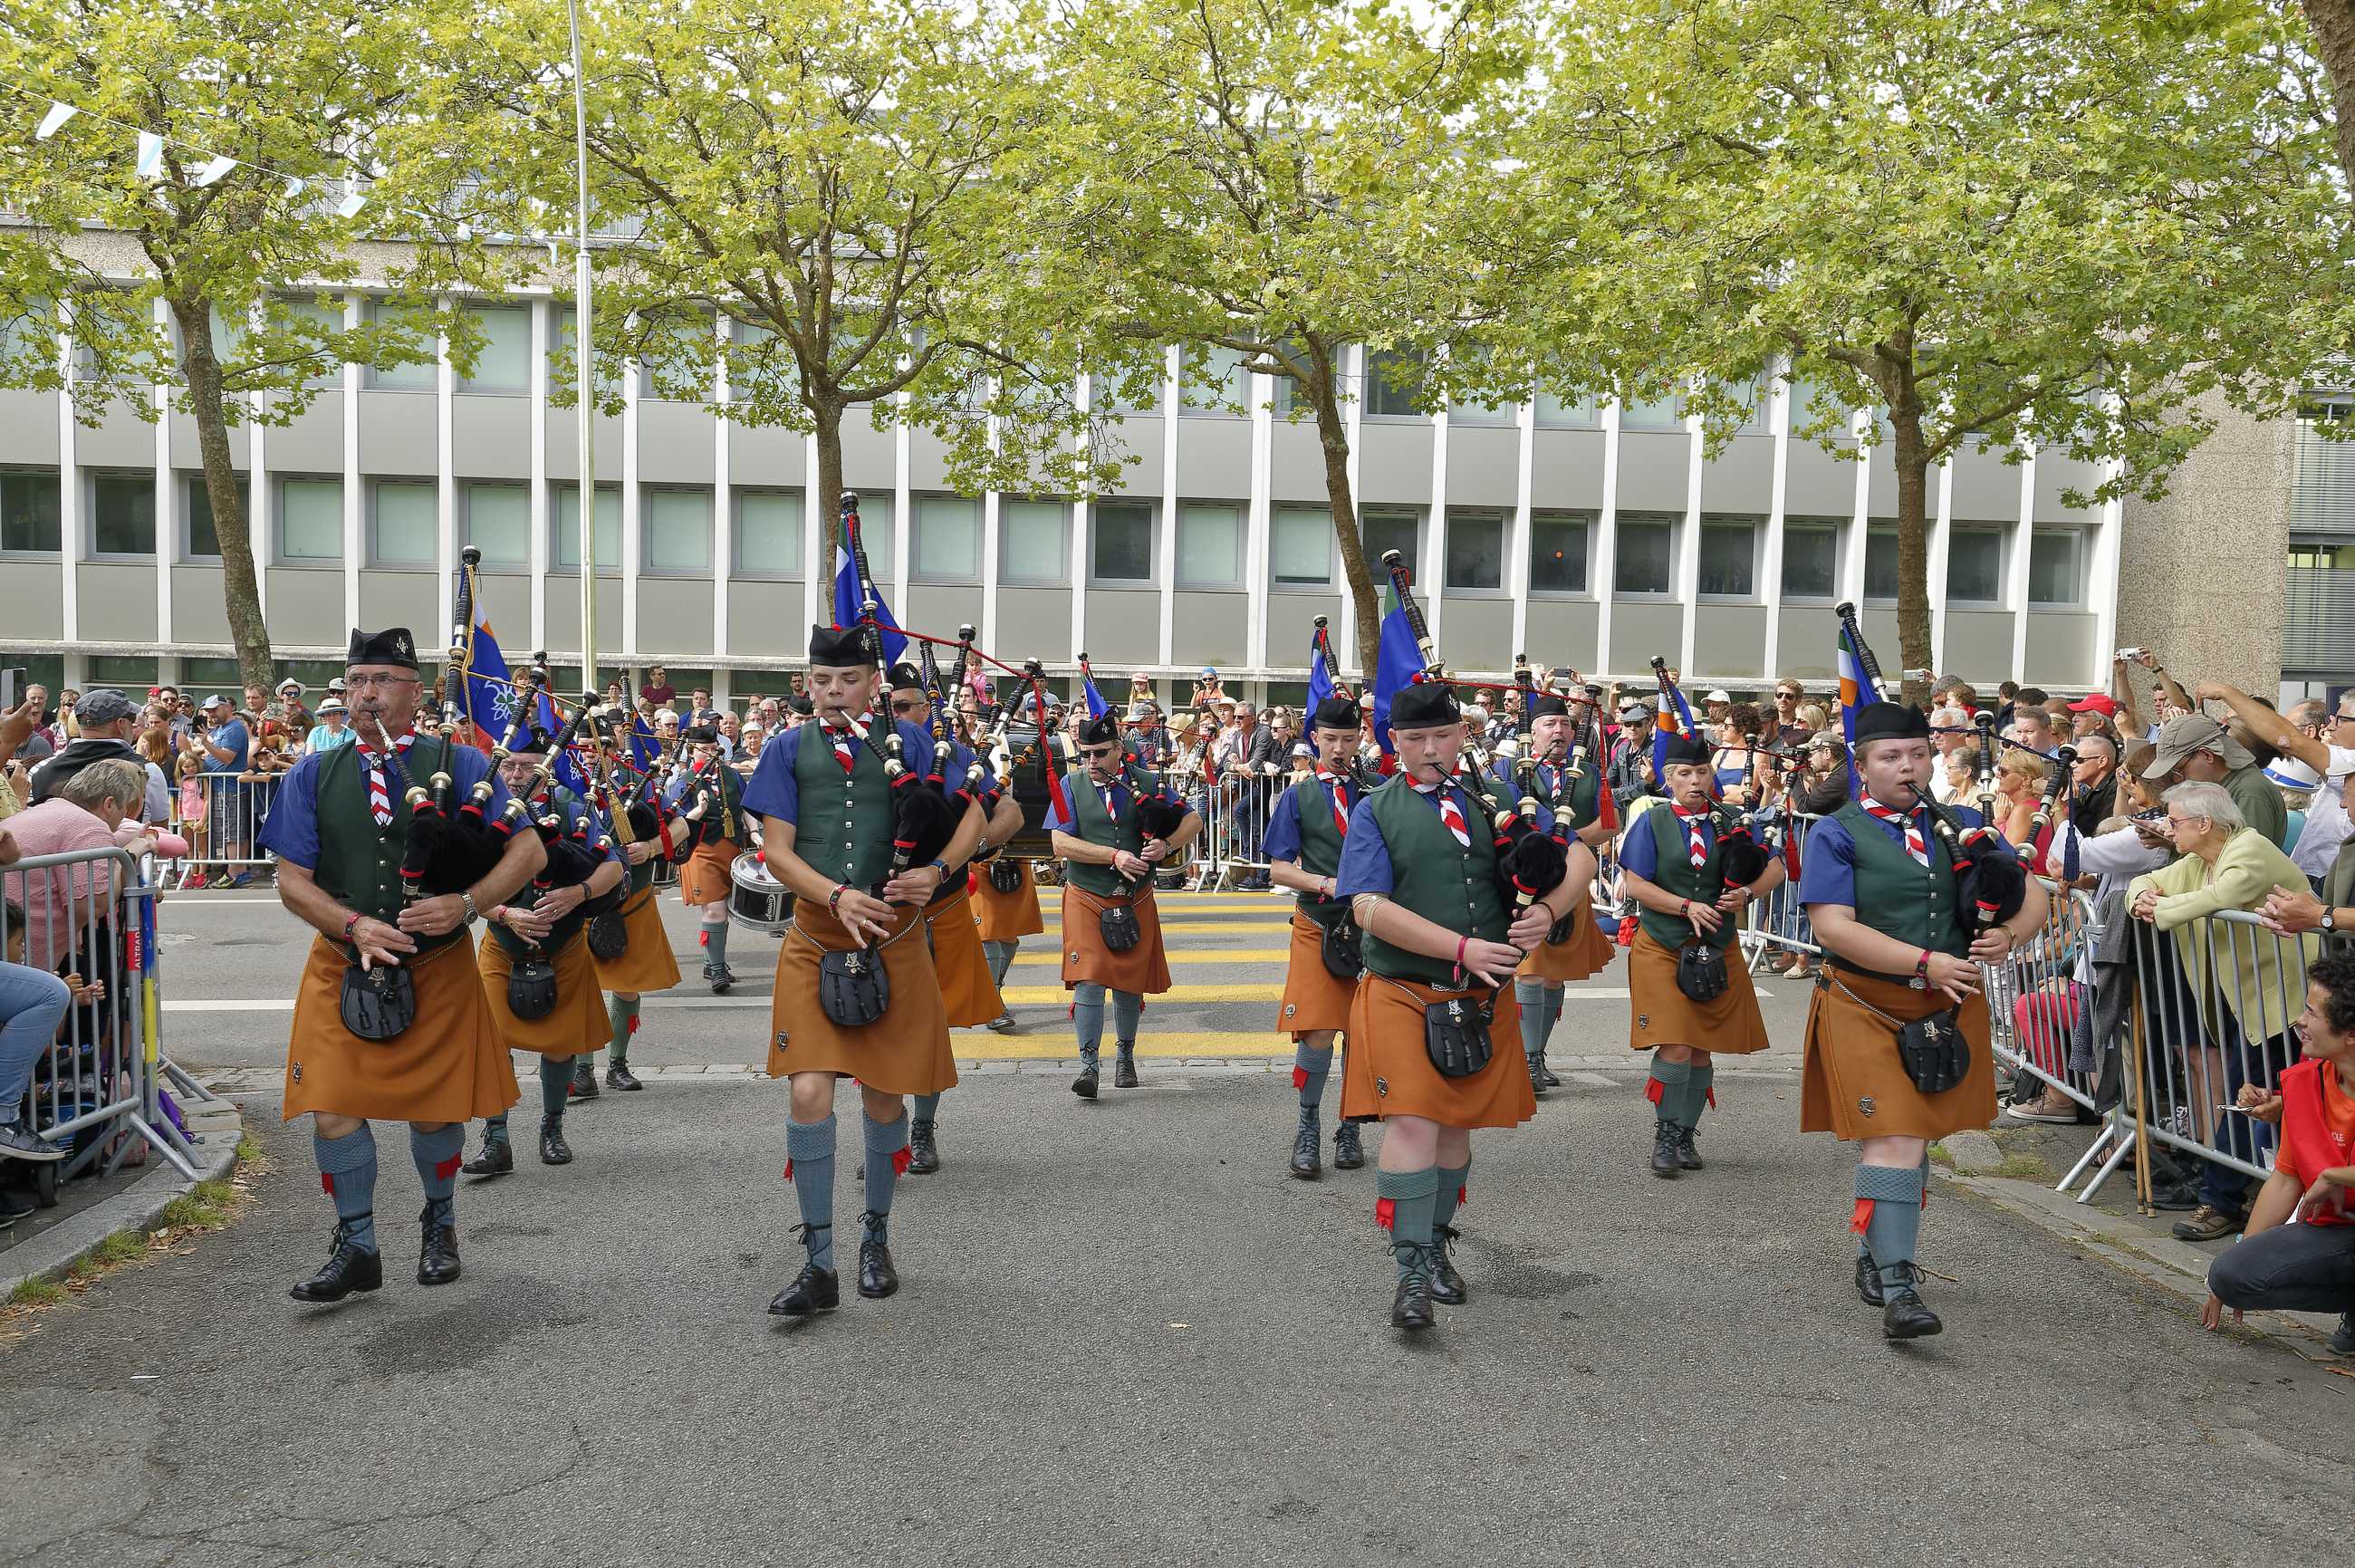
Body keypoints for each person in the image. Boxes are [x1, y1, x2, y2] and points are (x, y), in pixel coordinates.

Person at [255, 628, 544, 1302]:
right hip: (342, 961)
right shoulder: (313, 771)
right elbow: (292, 880)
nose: (366, 694)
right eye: (356, 682)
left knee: (435, 1112)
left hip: (436, 962)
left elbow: (527, 853)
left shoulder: (462, 763)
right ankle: (357, 1244)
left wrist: (466, 903)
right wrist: (351, 923)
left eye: (382, 681)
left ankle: (439, 1222)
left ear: (417, 692)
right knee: (329, 1102)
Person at [745, 625, 987, 1318]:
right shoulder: (787, 747)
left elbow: (981, 811)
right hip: (815, 939)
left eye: (845, 680)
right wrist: (835, 895)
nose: (829, 693)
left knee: (884, 1100)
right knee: (810, 1093)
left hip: (896, 939)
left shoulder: (913, 743)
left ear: (873, 684)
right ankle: (818, 1261)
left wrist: (940, 870)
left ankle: (874, 1238)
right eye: (819, 681)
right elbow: (777, 852)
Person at [1337, 680, 1581, 1332]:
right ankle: (1410, 1269)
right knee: (1413, 1122)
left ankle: (1437, 1240)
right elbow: (1366, 906)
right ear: (1392, 742)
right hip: (1404, 988)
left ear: (1462, 735)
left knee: (1452, 1128)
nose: (1429, 749)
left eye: (1441, 735)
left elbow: (1577, 854)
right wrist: (1461, 946)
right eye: (1413, 738)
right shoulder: (1376, 809)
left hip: (1479, 999)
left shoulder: (1499, 798)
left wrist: (1551, 909)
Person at [1798, 700, 2046, 1339]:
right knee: (1897, 1136)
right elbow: (1832, 925)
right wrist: (1926, 960)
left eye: (1916, 753)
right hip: (1864, 1001)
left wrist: (2011, 934)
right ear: (1863, 766)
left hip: (1943, 1007)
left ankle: (1875, 1251)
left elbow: (2034, 890)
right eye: (1890, 756)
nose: (1906, 766)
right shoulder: (1836, 831)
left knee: (1913, 1138)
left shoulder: (1961, 822)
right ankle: (1900, 1287)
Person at [2129, 780, 2319, 1243]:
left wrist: (2161, 908)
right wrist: (2140, 898)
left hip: (2287, 1001)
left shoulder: (2249, 849)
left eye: (2174, 822)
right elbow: (2147, 879)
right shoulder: (2200, 859)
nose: (2168, 831)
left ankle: (2224, 1200)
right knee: (2258, 1094)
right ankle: (2243, 1196)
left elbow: (2219, 898)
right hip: (2251, 1001)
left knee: (2252, 1094)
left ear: (2204, 823)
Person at [1617, 731, 1784, 1178]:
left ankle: (1687, 1134)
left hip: (1716, 946)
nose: (1695, 781)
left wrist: (1747, 892)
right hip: (1661, 944)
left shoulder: (1731, 821)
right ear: (1668, 779)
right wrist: (1685, 906)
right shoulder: (1651, 823)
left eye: (1702, 772)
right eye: (1685, 774)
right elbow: (1635, 883)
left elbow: (1777, 866)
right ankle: (1666, 1135)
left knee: (1700, 1050)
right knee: (1675, 1043)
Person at [459, 731, 625, 1172]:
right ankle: (496, 1139)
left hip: (564, 950)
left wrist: (578, 892)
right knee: (494, 1045)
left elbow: (615, 866)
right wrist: (504, 913)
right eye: (509, 766)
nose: (516, 776)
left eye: (528, 766)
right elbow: (458, 883)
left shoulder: (573, 811)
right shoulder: (481, 813)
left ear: (546, 771)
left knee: (558, 1047)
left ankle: (552, 1127)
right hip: (501, 948)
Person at [2199, 946, 2355, 1351]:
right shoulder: (2303, 1084)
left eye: (2313, 1013)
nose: (2300, 1021)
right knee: (2232, 1273)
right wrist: (2229, 1276)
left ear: (2351, 1033)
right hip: (2338, 1232)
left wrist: (2335, 1175)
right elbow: (2284, 1180)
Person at [883, 663, 1004, 1174]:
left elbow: (1006, 814)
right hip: (881, 909)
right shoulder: (863, 749)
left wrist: (949, 860)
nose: (899, 715)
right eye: (891, 705)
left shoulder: (947, 755)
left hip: (943, 905)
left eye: (908, 706)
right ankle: (883, 1133)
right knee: (877, 1022)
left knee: (931, 1026)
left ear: (928, 710)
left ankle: (922, 1129)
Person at [1048, 710, 1201, 1100]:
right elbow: (1060, 844)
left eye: (1100, 753)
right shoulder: (1072, 784)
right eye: (1085, 754)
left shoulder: (1149, 783)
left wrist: (1167, 845)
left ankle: (1125, 1057)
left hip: (1136, 897)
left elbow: (1195, 820)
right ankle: (1088, 1064)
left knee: (1130, 984)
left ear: (1119, 749)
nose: (1092, 762)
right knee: (1090, 978)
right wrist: (1112, 856)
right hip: (1086, 894)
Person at [1263, 696, 1375, 1179]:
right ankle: (1307, 1125)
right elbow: (1280, 868)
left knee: (1362, 1032)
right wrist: (1327, 884)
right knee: (1318, 1032)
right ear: (1315, 739)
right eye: (1330, 739)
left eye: (1348, 739)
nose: (1339, 748)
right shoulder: (1300, 796)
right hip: (1318, 924)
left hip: (1372, 928)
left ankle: (1349, 1125)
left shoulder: (1376, 789)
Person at [1495, 688, 1616, 1100]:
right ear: (1533, 732)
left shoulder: (1592, 774)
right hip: (1528, 883)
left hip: (1572, 881)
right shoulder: (1510, 769)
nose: (1559, 730)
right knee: (1531, 969)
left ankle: (1538, 1054)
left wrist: (1564, 838)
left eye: (1565, 723)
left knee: (1554, 973)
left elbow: (1609, 825)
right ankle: (1527, 1058)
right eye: (1550, 724)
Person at [578, 721, 683, 1097]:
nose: (592, 751)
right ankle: (582, 1069)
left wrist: (652, 848)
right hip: (581, 903)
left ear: (614, 746)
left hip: (633, 902)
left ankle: (617, 1064)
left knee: (626, 988)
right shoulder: (564, 781)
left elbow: (681, 826)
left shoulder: (639, 781)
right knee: (581, 989)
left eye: (600, 744)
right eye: (585, 744)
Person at [665, 725, 745, 993]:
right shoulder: (683, 781)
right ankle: (718, 970)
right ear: (692, 750)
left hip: (731, 848)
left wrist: (756, 833)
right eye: (705, 750)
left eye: (715, 749)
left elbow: (746, 808)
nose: (711, 754)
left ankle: (712, 962)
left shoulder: (732, 776)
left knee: (721, 910)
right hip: (699, 848)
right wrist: (699, 809)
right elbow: (677, 825)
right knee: (715, 909)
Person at [2139, 709, 2287, 851]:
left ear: (2207, 755)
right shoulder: (2221, 788)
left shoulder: (2249, 792)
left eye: (2180, 769)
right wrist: (2174, 840)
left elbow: (2247, 861)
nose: (2178, 779)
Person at [29, 689, 171, 824]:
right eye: (131, 718)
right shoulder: (148, 770)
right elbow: (159, 829)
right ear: (120, 724)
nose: (134, 725)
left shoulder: (40, 770)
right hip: (127, 848)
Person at [187, 695, 255, 887]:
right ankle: (239, 871)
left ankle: (233, 873)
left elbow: (227, 758)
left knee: (230, 831)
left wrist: (206, 743)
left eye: (214, 710)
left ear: (227, 708)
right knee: (234, 830)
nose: (210, 714)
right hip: (223, 786)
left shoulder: (233, 729)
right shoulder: (222, 729)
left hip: (229, 787)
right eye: (208, 711)